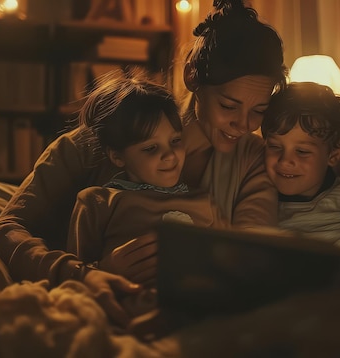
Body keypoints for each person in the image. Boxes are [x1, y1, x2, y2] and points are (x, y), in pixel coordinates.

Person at [0, 0, 340, 329]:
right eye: (229, 106)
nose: (243, 124)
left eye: (259, 111)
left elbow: (257, 241)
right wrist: (84, 272)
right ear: (193, 79)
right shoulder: (101, 141)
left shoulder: (253, 157)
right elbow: (1, 231)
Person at [66, 69, 229, 289]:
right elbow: (75, 278)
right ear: (117, 156)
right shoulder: (98, 202)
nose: (170, 155)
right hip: (129, 304)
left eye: (176, 141)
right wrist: (103, 268)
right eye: (151, 148)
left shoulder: (204, 200)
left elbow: (231, 264)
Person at [261, 81, 340, 248]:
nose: (284, 161)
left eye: (302, 151)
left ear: (333, 155)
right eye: (275, 147)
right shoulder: (259, 201)